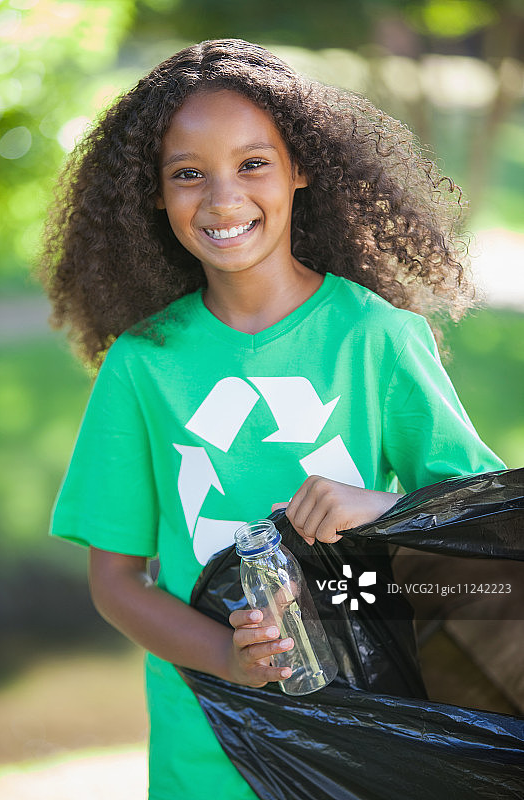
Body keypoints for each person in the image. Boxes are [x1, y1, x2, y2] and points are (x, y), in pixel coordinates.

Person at [40, 38, 505, 800]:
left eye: (253, 164)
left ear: (301, 168)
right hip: (204, 756)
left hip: (366, 742)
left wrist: (383, 509)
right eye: (188, 174)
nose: (222, 200)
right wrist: (226, 658)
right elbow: (118, 582)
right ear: (154, 195)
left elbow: (486, 543)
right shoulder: (142, 364)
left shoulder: (374, 339)